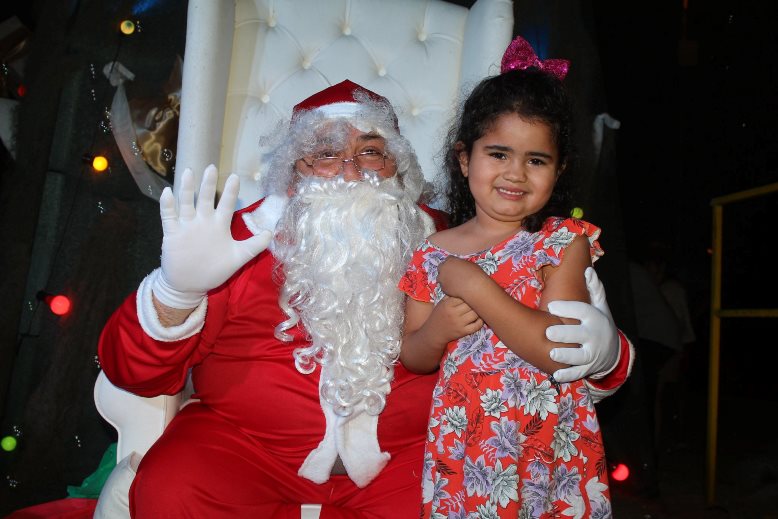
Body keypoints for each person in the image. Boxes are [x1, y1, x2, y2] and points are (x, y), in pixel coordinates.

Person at [98, 79, 633, 517]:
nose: (351, 169)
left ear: (398, 170)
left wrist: (606, 355)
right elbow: (134, 375)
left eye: (371, 152)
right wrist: (177, 290)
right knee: (173, 492)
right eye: (326, 153)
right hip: (245, 448)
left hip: (411, 458)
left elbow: (552, 346)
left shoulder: (456, 241)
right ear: (293, 171)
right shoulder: (231, 243)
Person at [399, 36, 620, 517]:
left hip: (547, 441)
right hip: (465, 443)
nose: (515, 173)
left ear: (557, 171)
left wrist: (478, 287)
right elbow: (413, 354)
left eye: (536, 160)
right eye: (498, 154)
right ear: (464, 159)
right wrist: (437, 330)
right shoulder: (429, 253)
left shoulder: (562, 242)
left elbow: (556, 349)